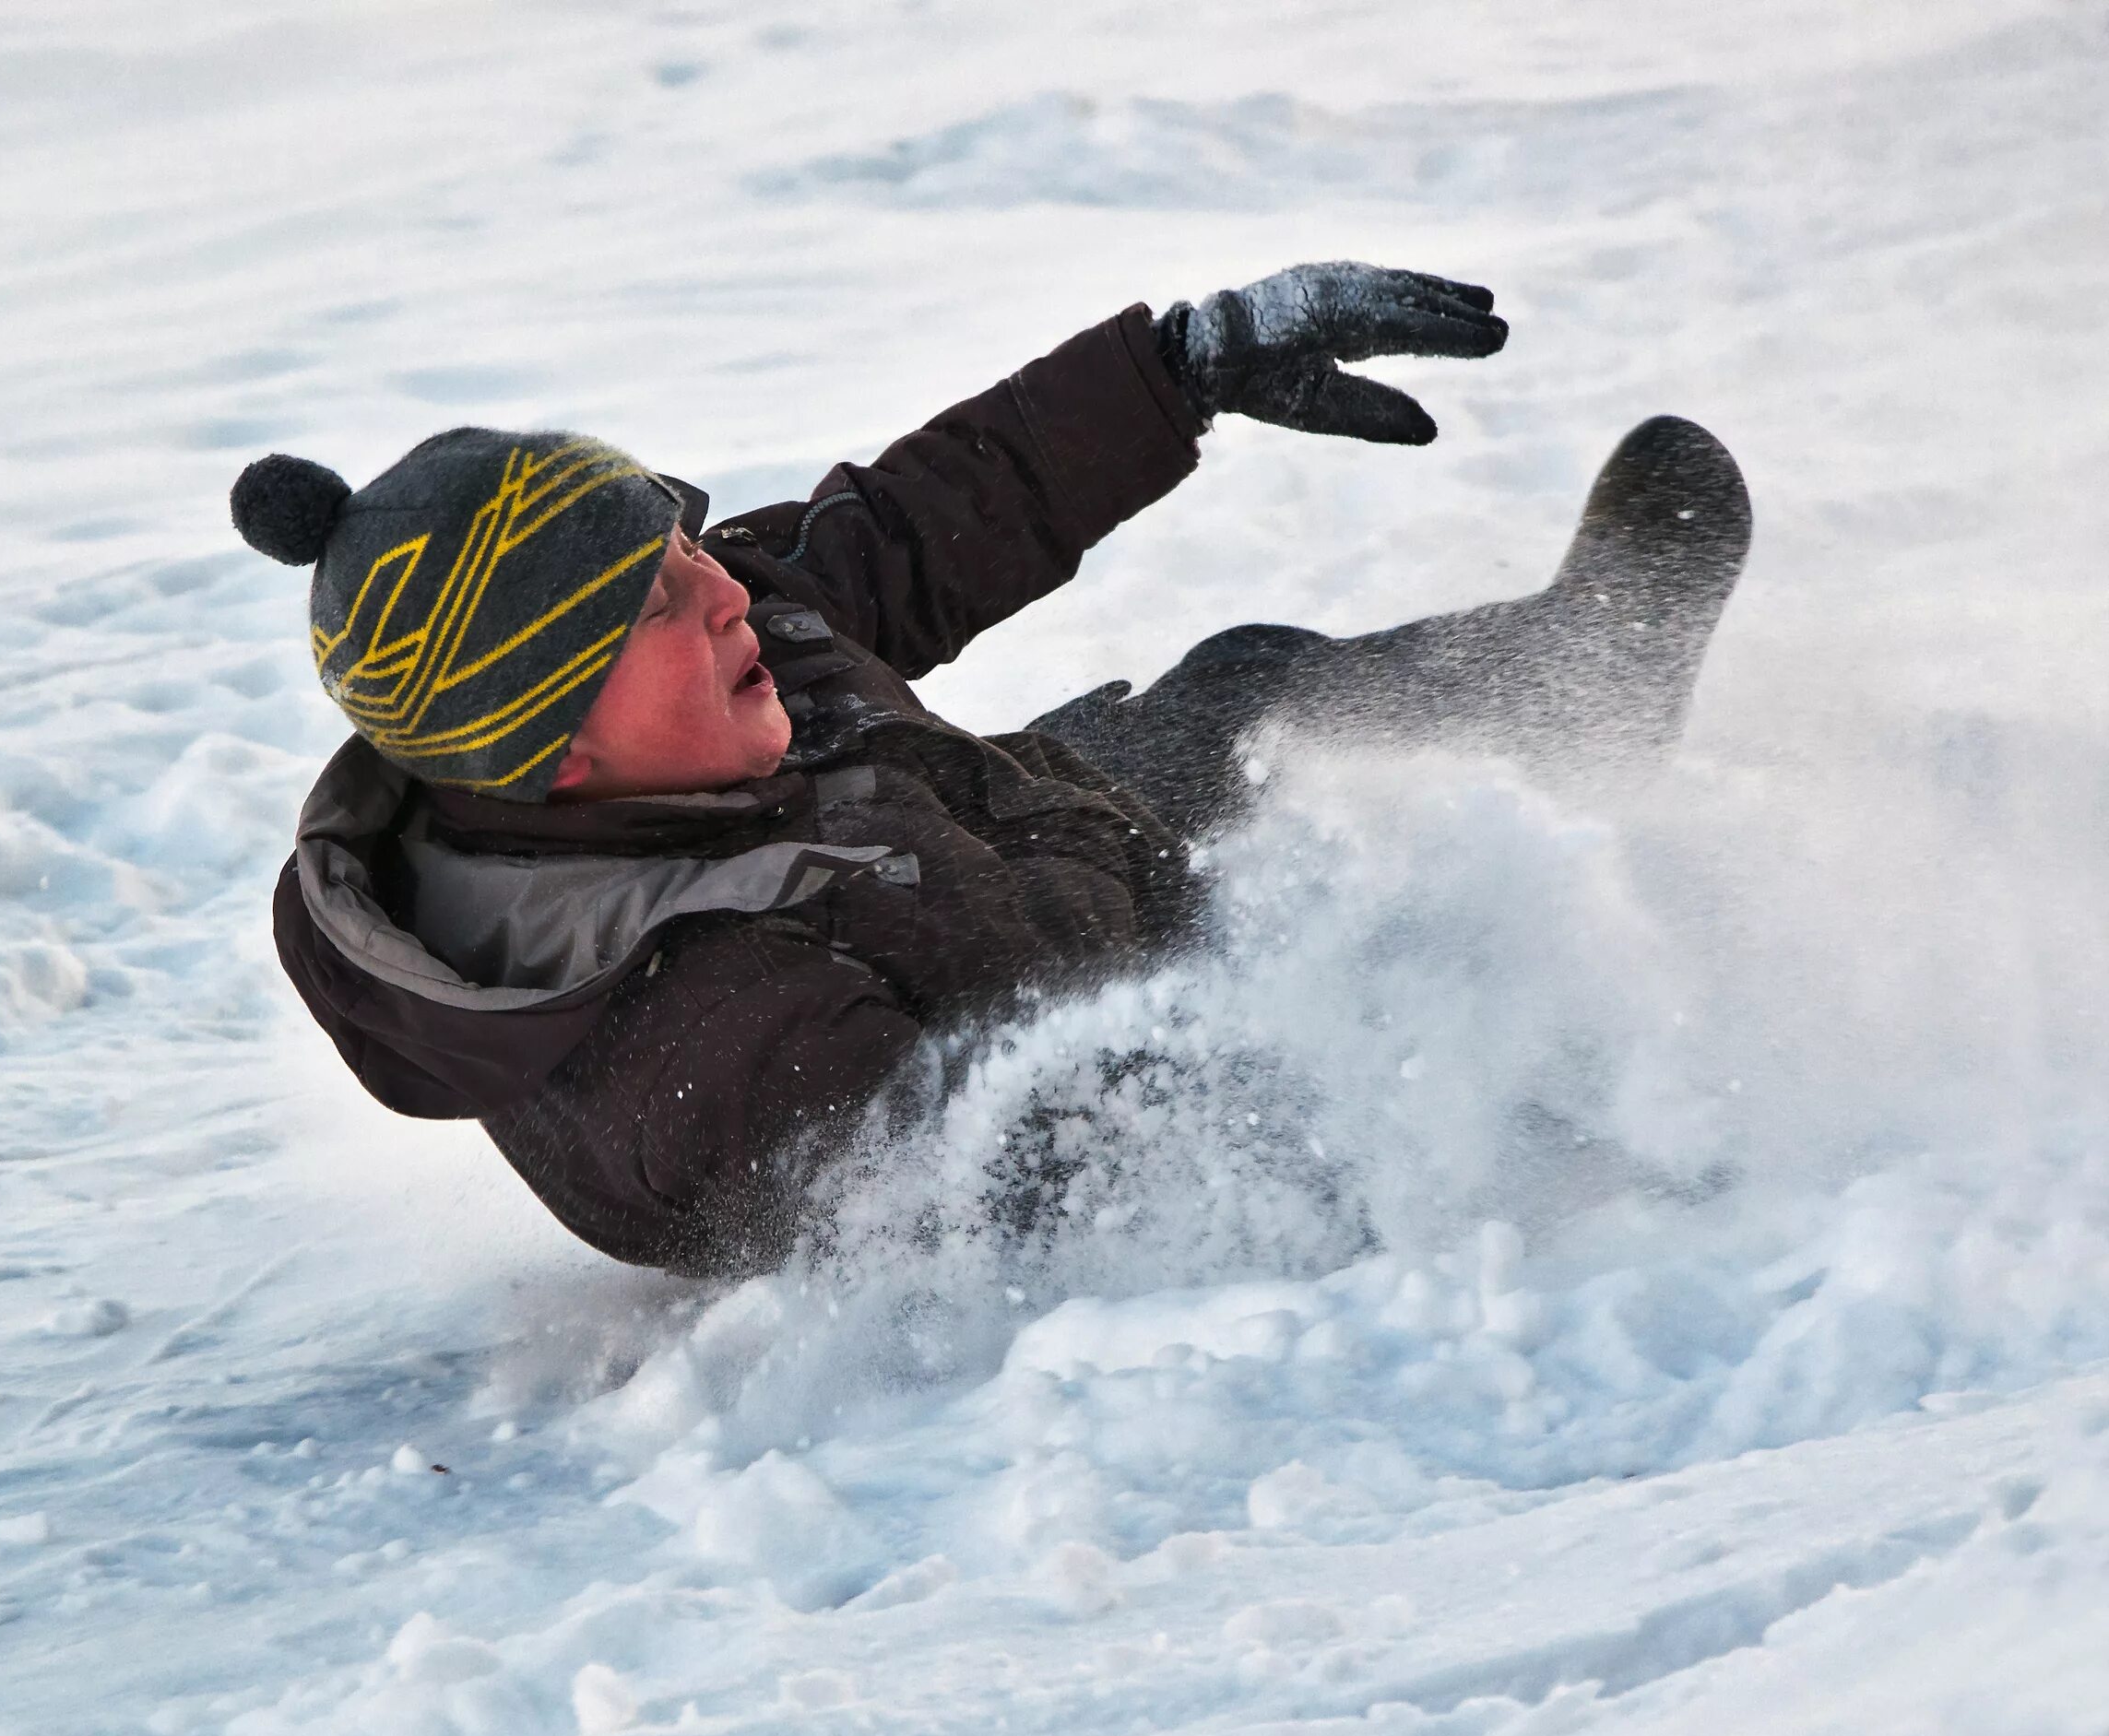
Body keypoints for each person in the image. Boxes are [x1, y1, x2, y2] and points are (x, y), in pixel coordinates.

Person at [231, 263, 1748, 1276]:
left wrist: (1178, 370)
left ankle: (1585, 682)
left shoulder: (729, 653)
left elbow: (908, 526)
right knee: (1349, 926)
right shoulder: (695, 1041)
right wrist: (1456, 1091)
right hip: (1067, 1029)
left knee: (1250, 690)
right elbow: (1018, 1191)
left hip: (1005, 848)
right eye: (652, 606)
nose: (725, 595)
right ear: (550, 747)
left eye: (685, 545)